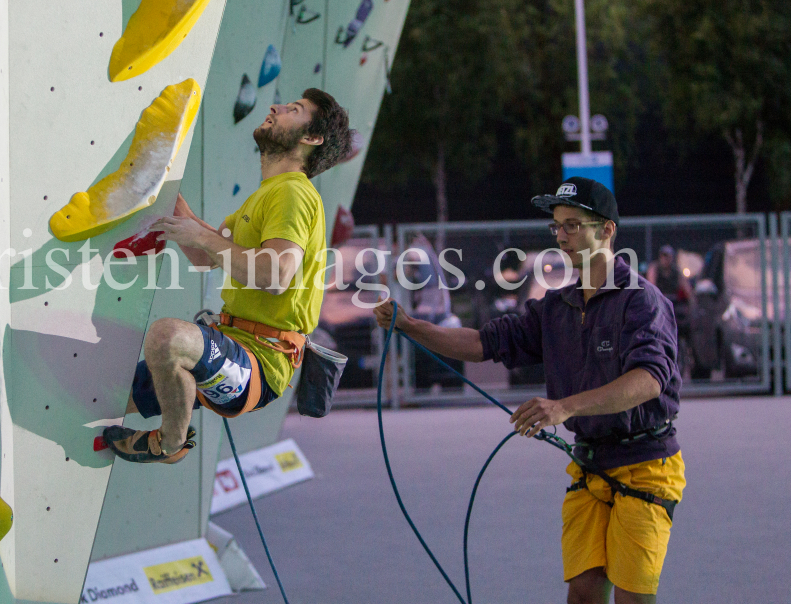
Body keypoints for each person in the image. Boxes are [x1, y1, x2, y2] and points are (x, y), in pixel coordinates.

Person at [374, 177, 684, 604]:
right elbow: (484, 343)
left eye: (573, 225)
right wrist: (410, 327)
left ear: (607, 231)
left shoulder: (642, 301)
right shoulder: (556, 306)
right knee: (583, 593)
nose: (561, 236)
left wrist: (563, 407)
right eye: (556, 226)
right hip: (591, 464)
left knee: (631, 597)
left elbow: (649, 380)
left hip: (646, 465)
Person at [102, 89, 352, 464]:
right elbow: (206, 256)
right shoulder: (266, 195)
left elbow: (275, 275)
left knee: (167, 337)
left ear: (311, 139)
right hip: (229, 349)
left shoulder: (294, 193)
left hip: (259, 363)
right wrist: (161, 184)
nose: (275, 107)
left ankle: (170, 443)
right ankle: (178, 403)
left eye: (294, 110)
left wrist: (201, 234)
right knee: (105, 393)